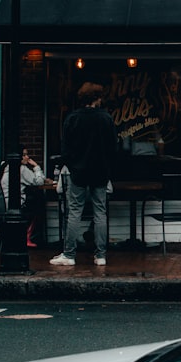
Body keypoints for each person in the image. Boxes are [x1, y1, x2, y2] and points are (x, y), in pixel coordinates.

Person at [51, 82, 117, 267]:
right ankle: (101, 255)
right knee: (100, 213)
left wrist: (72, 165)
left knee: (74, 212)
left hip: (78, 172)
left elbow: (66, 149)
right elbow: (113, 147)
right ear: (97, 98)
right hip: (100, 171)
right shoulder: (106, 118)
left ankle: (69, 254)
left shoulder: (73, 118)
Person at [0, 146, 50, 248]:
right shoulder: (21, 169)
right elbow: (38, 181)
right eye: (24, 155)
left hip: (1, 204)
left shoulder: (3, 167)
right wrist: (36, 167)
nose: (27, 157)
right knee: (39, 204)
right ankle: (27, 236)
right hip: (15, 206)